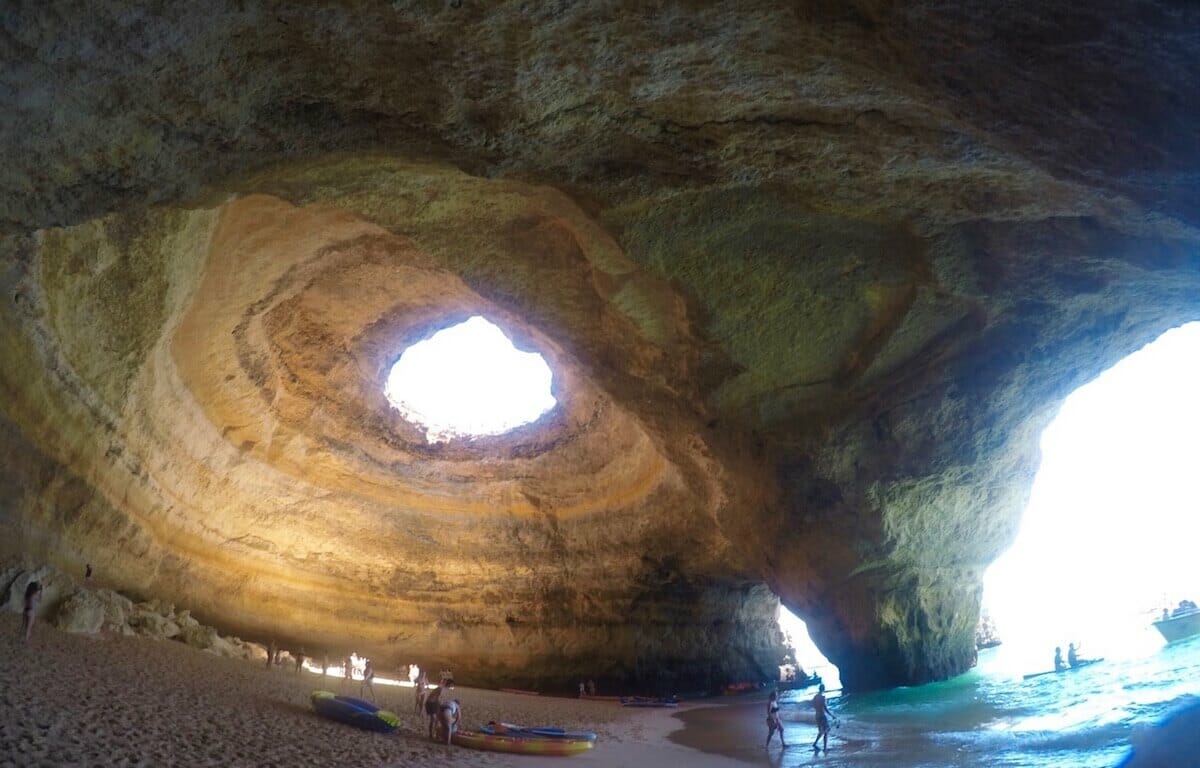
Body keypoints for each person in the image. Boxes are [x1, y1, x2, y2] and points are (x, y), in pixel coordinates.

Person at [811, 683, 836, 752]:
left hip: (817, 715)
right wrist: (832, 715)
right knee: (826, 731)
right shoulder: (823, 698)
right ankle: (825, 748)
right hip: (822, 716)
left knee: (821, 731)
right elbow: (825, 709)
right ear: (823, 689)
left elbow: (813, 705)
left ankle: (815, 743)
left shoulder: (815, 697)